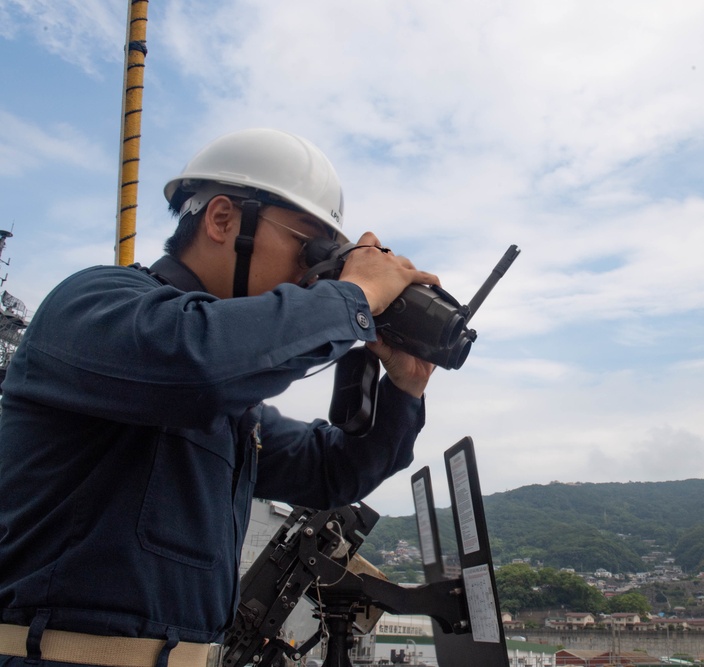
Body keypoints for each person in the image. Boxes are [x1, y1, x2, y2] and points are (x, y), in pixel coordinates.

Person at [0, 128, 438, 667]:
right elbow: (198, 361)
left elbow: (332, 471)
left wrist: (403, 386)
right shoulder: (90, 307)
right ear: (222, 219)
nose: (312, 277)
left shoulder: (232, 409)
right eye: (309, 249)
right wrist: (355, 295)